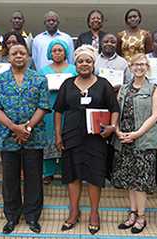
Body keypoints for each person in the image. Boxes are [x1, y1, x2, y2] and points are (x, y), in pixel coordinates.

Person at [54, 45, 119, 235]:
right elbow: (58, 110)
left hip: (96, 138)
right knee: (72, 175)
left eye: (88, 61)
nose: (84, 64)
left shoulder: (103, 84)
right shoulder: (67, 84)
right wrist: (58, 135)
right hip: (71, 136)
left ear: (93, 63)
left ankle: (93, 213)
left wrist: (112, 127)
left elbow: (114, 108)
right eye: (81, 61)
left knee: (94, 175)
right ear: (76, 63)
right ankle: (74, 212)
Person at [0, 43, 50, 234]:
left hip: (34, 136)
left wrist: (27, 128)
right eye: (15, 53)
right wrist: (14, 128)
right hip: (8, 136)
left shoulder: (39, 78)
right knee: (10, 179)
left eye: (22, 53)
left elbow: (43, 105)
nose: (19, 56)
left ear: (28, 56)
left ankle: (32, 217)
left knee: (34, 178)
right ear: (8, 57)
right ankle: (11, 217)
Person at [111, 53, 157, 234]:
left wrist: (136, 134)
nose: (139, 67)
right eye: (135, 64)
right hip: (124, 140)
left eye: (142, 64)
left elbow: (155, 115)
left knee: (141, 182)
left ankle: (141, 217)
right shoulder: (124, 89)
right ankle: (132, 213)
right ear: (130, 67)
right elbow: (116, 111)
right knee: (130, 180)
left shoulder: (154, 88)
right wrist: (117, 131)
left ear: (147, 67)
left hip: (144, 141)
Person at [39, 39, 77, 185]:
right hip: (49, 109)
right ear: (50, 53)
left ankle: (64, 170)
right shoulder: (43, 71)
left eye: (60, 50)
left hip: (69, 109)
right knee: (50, 137)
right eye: (54, 50)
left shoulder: (73, 69)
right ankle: (48, 172)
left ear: (65, 52)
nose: (57, 53)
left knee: (66, 137)